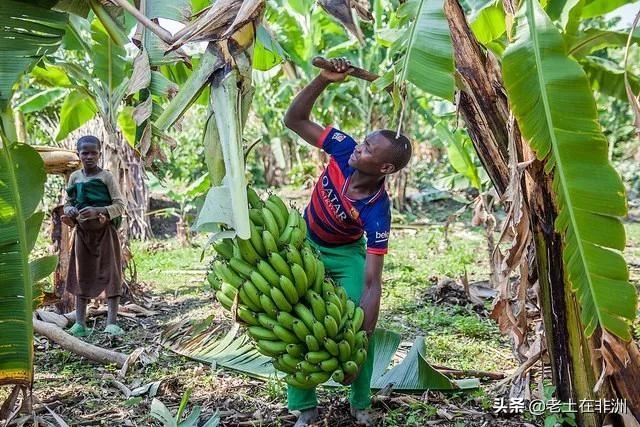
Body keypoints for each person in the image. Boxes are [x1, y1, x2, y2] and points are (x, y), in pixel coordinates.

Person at [283, 57, 413, 426]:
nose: (361, 148)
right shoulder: (343, 147)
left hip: (345, 254)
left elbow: (373, 282)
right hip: (303, 244)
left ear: (385, 168)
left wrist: (362, 339)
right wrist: (323, 80)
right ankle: (305, 407)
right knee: (297, 321)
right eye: (365, 141)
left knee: (358, 317)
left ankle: (360, 401)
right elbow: (294, 120)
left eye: (370, 149)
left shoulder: (376, 210)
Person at [62, 135, 126, 337]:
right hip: (82, 234)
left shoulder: (106, 177)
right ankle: (80, 323)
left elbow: (119, 205)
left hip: (105, 233)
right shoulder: (74, 178)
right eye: (84, 153)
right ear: (78, 154)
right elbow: (68, 202)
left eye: (93, 153)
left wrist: (99, 210)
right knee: (81, 275)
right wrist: (70, 210)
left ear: (100, 153)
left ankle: (112, 323)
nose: (89, 156)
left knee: (111, 274)